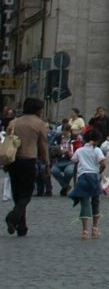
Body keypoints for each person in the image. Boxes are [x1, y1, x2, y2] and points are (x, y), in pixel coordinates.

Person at [4, 96, 50, 236]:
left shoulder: (14, 122)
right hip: (28, 160)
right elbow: (43, 145)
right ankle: (12, 217)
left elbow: (7, 142)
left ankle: (21, 226)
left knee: (18, 193)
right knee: (27, 194)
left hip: (13, 161)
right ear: (37, 110)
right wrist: (47, 163)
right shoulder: (39, 123)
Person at [66, 125, 107, 240]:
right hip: (94, 177)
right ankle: (95, 228)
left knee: (85, 203)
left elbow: (74, 160)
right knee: (95, 202)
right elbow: (103, 163)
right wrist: (99, 172)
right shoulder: (97, 150)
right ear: (97, 140)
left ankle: (85, 231)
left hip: (82, 177)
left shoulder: (80, 150)